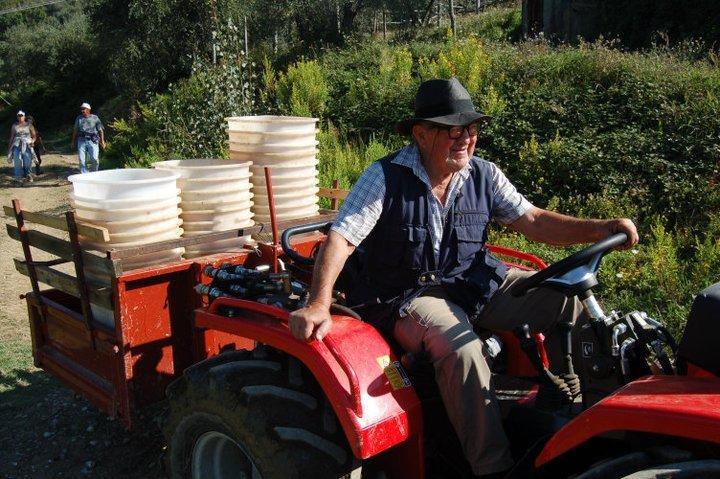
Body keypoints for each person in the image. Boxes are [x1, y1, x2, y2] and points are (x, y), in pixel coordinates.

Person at [288, 78, 639, 478]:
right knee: (462, 350)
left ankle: (572, 401)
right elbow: (344, 236)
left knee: (566, 298)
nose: (465, 139)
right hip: (408, 294)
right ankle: (493, 468)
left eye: (471, 130)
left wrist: (599, 229)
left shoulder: (484, 175)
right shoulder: (384, 176)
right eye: (453, 131)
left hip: (471, 283)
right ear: (421, 134)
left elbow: (534, 220)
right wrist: (318, 302)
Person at [71, 102, 106, 173]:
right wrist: (73, 142)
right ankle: (85, 175)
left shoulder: (95, 118)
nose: (82, 111)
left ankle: (94, 173)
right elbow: (75, 130)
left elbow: (101, 130)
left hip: (93, 141)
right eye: (81, 109)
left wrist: (102, 141)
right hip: (81, 140)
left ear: (88, 109)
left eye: (84, 109)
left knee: (95, 159)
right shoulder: (79, 118)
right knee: (81, 160)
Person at [7, 110, 37, 183]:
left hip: (27, 144)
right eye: (19, 116)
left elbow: (34, 136)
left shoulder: (29, 125)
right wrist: (9, 148)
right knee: (17, 161)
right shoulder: (14, 125)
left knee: (27, 161)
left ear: (24, 116)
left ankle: (28, 175)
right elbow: (12, 137)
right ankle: (18, 177)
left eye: (21, 115)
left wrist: (32, 141)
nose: (20, 117)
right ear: (17, 117)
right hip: (16, 144)